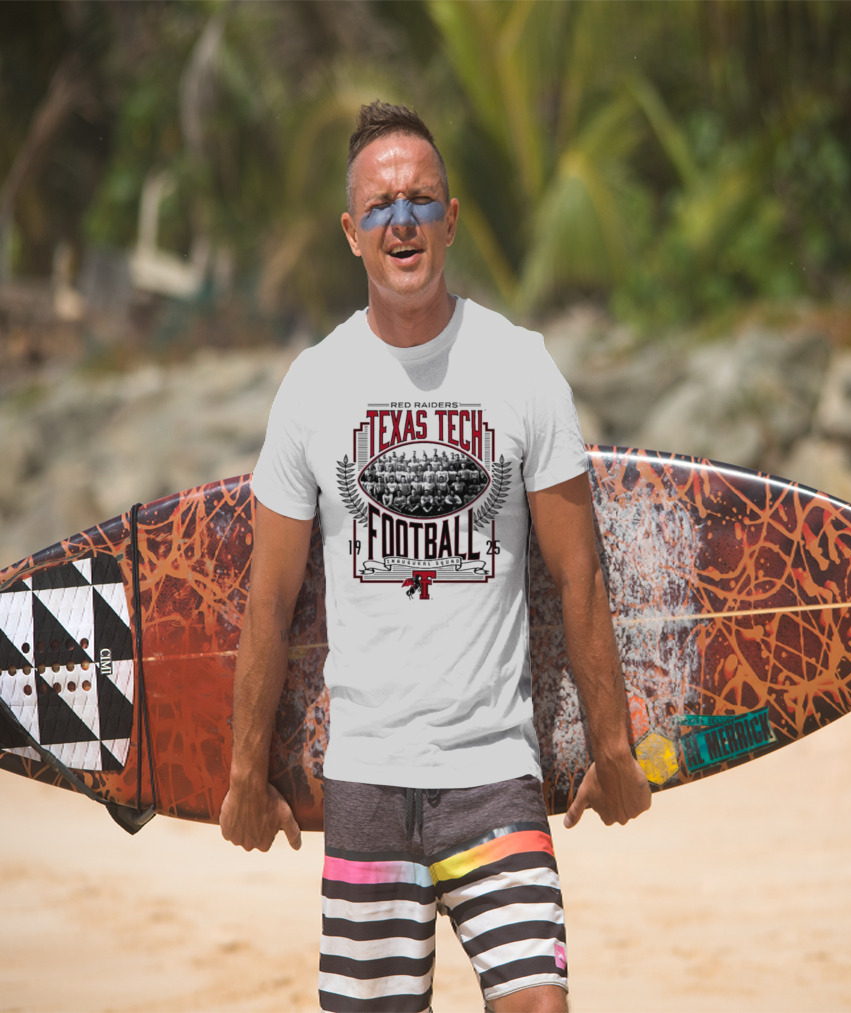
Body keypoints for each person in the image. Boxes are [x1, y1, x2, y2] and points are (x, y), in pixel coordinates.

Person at [220, 100, 651, 1013]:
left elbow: (579, 575)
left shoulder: (521, 367)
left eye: (421, 200)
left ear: (451, 219)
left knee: (540, 1003)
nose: (402, 220)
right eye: (380, 206)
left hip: (495, 772)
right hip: (368, 778)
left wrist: (612, 746)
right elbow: (269, 600)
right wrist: (242, 772)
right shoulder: (314, 386)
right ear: (351, 232)